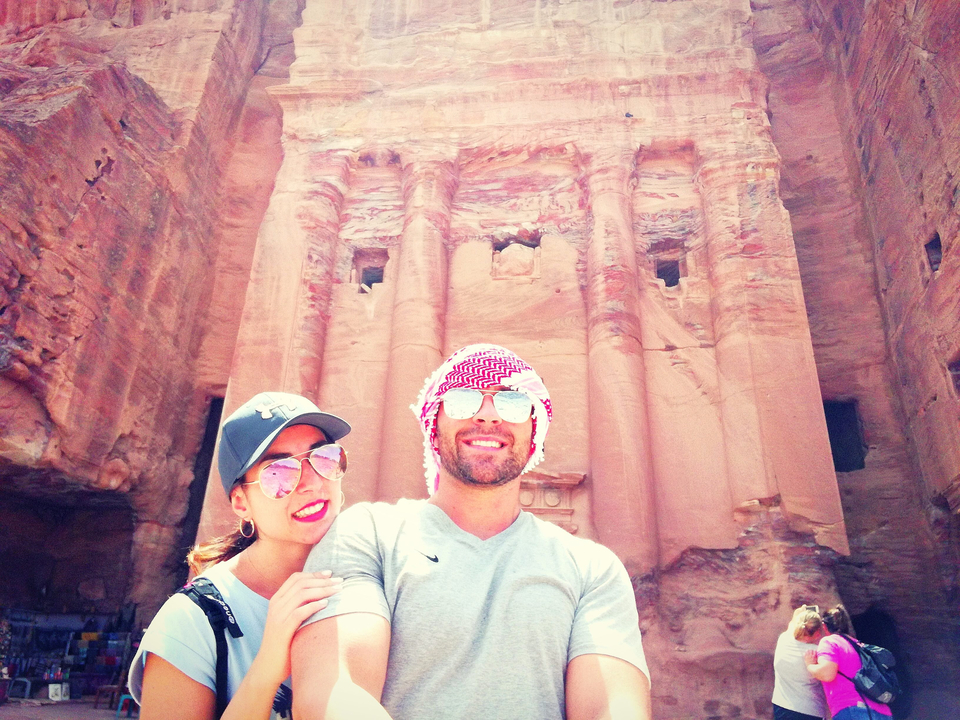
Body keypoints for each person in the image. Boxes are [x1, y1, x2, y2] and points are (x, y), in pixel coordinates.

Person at [290, 343, 651, 720]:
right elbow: (334, 693)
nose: (488, 416)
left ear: (534, 433)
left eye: (512, 402)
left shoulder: (592, 568)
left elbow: (611, 708)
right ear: (434, 423)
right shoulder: (367, 535)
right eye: (463, 399)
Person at [129, 392, 351, 720]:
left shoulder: (369, 579)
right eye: (279, 472)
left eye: (324, 458)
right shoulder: (191, 622)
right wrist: (267, 670)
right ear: (240, 503)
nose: (311, 483)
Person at [804, 605, 893, 719]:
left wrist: (810, 665)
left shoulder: (830, 641)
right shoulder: (859, 645)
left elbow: (827, 674)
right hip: (882, 712)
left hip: (853, 710)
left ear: (824, 626)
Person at [772, 605, 828, 720]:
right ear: (818, 632)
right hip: (810, 710)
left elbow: (792, 624)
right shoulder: (818, 652)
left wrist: (800, 611)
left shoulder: (784, 639)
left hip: (782, 706)